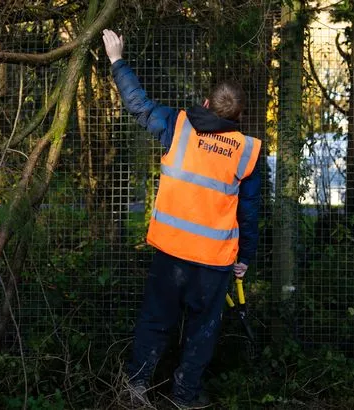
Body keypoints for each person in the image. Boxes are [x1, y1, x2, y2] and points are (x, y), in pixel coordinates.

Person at [102, 29, 261, 409]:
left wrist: (116, 60)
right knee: (202, 333)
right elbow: (249, 211)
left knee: (156, 321)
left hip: (171, 254)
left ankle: (136, 391)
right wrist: (245, 257)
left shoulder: (178, 126)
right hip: (215, 262)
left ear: (206, 103)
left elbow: (138, 105)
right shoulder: (247, 151)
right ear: (239, 117)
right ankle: (184, 398)